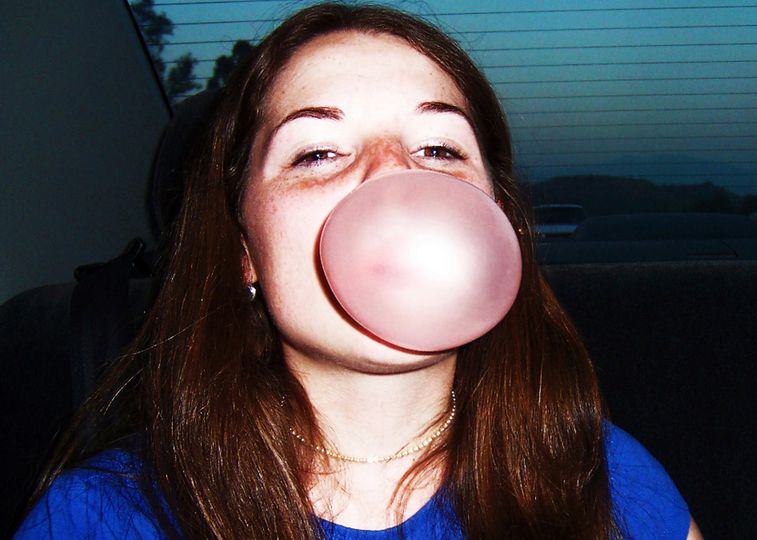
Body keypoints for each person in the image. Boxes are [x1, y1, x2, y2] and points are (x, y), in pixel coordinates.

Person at [15, 3, 701, 539]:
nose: (394, 176)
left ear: (495, 220)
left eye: (440, 149)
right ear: (243, 251)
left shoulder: (597, 477)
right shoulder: (102, 516)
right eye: (317, 153)